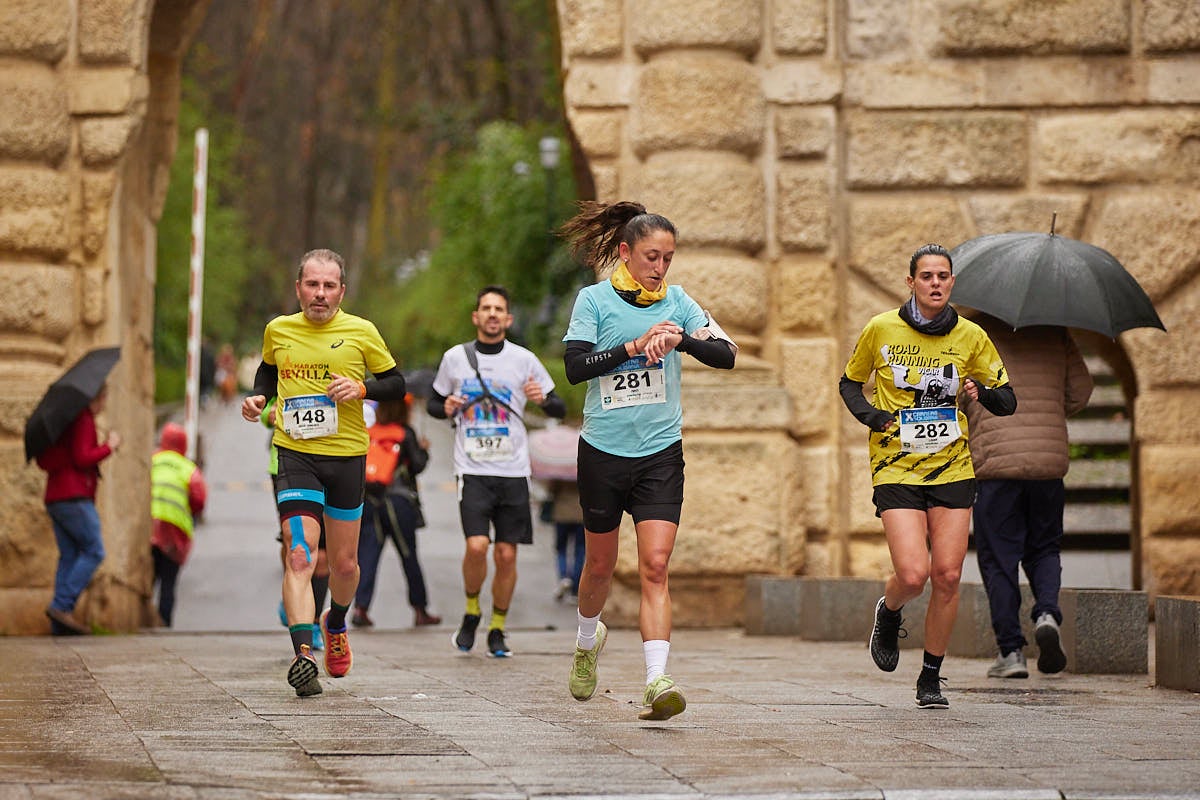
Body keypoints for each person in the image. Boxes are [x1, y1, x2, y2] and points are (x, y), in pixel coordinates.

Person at [557, 200, 737, 721]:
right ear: (625, 252)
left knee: (656, 566)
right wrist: (634, 346)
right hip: (603, 454)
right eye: (651, 257)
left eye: (668, 259)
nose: (659, 268)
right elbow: (574, 368)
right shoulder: (593, 301)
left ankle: (658, 680)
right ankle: (587, 640)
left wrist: (682, 338)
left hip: (660, 453)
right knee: (600, 565)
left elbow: (727, 354)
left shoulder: (678, 302)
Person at [840, 243, 1017, 708]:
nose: (935, 283)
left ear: (952, 282)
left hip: (953, 464)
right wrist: (874, 417)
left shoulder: (972, 337)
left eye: (943, 276)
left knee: (948, 575)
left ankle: (931, 677)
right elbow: (849, 381)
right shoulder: (881, 328)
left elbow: (1007, 401)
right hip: (896, 462)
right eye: (926, 276)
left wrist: (981, 392)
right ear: (911, 282)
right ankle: (890, 608)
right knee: (914, 573)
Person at [240, 248, 406, 697]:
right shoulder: (279, 329)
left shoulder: (361, 331)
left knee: (344, 565)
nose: (320, 294)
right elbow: (267, 372)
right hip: (295, 455)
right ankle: (303, 656)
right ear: (298, 288)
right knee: (299, 555)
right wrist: (259, 398)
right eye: (312, 285)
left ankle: (335, 623)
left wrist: (363, 388)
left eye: (328, 286)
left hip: (346, 457)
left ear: (341, 291)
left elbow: (397, 383)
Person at [426, 285, 567, 658]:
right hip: (472, 470)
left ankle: (498, 627)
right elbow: (432, 403)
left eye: (498, 309)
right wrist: (448, 406)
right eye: (485, 308)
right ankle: (473, 610)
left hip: (513, 471)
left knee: (506, 555)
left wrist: (544, 400)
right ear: (476, 317)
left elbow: (558, 407)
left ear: (508, 319)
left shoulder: (524, 359)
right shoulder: (455, 358)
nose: (491, 314)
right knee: (477, 546)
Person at [963, 313, 1093, 678]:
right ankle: (1048, 613)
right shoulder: (1056, 329)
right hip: (1047, 462)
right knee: (1045, 548)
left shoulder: (974, 332)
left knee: (999, 559)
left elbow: (957, 390)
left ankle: (1011, 652)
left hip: (996, 466)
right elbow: (1081, 391)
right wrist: (1049, 412)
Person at [37, 385, 121, 635]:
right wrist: (110, 446)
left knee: (70, 555)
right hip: (74, 497)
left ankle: (59, 623)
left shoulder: (68, 421)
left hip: (55, 496)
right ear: (100, 397)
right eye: (105, 397)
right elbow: (83, 458)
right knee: (94, 551)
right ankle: (61, 606)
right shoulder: (83, 418)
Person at [353, 395, 442, 628]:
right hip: (399, 503)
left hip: (370, 501)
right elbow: (418, 465)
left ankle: (360, 609)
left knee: (368, 555)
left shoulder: (370, 430)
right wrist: (424, 450)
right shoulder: (405, 433)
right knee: (408, 556)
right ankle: (420, 610)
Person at [262, 396, 327, 651]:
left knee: (323, 555)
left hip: (331, 462)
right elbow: (264, 409)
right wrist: (271, 413)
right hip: (286, 465)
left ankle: (313, 622)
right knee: (295, 547)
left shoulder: (340, 361)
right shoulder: (286, 361)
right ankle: (292, 592)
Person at [150, 422, 207, 627]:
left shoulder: (152, 460)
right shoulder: (188, 468)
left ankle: (143, 619)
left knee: (148, 578)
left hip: (149, 526)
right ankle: (164, 623)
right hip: (174, 531)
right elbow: (199, 499)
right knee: (168, 581)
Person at [548, 479, 585, 601]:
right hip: (582, 514)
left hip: (562, 514)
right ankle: (575, 588)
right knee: (580, 550)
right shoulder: (587, 465)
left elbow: (551, 489)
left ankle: (564, 577)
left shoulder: (561, 466)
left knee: (561, 548)